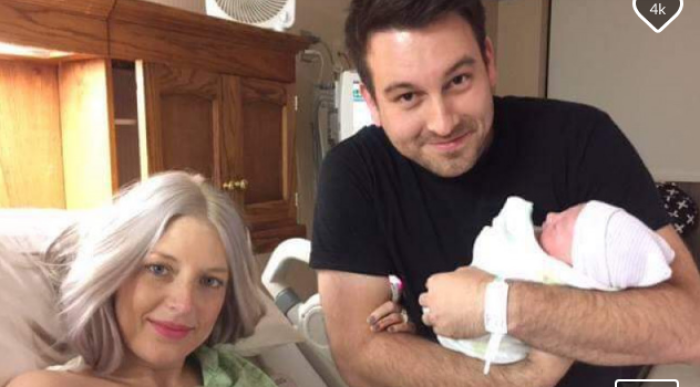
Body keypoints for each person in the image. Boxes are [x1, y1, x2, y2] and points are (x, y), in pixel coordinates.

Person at [310, 0, 700, 386]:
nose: (443, 123)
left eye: (458, 80)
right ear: (373, 102)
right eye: (408, 97)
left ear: (489, 62)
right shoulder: (354, 174)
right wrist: (522, 380)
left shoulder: (581, 138)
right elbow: (359, 357)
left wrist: (501, 305)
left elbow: (690, 324)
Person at [7, 171, 277, 387]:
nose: (184, 304)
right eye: (158, 269)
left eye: (209, 281)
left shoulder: (239, 376)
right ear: (112, 272)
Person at [369, 196, 676, 373]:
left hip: (492, 360)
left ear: (579, 263)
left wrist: (491, 303)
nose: (552, 215)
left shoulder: (562, 285)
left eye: (564, 224)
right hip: (434, 332)